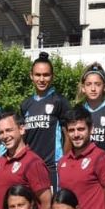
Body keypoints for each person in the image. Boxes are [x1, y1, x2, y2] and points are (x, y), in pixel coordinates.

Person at [57, 107, 105, 209]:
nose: (76, 134)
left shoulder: (102, 158)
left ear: (91, 129)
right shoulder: (62, 162)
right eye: (71, 130)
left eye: (81, 129)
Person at [0, 111, 52, 209]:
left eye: (9, 130)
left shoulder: (33, 162)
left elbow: (46, 204)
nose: (5, 136)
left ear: (21, 129)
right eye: (1, 132)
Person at [21, 51, 70, 188]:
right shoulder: (25, 105)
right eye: (38, 75)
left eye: (46, 75)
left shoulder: (60, 101)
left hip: (52, 167)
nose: (41, 79)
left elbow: (68, 134)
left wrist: (63, 161)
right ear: (31, 76)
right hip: (30, 166)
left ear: (52, 77)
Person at [78, 63, 105, 157]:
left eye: (97, 84)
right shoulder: (77, 111)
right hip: (83, 168)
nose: (93, 89)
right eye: (88, 84)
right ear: (83, 88)